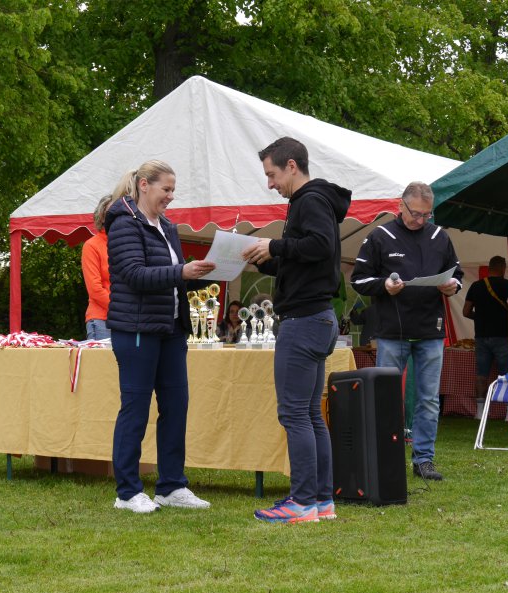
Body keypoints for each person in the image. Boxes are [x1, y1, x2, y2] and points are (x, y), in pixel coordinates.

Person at [242, 136, 351, 524]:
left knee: (294, 414)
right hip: (318, 317)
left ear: (292, 166)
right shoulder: (313, 201)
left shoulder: (310, 200)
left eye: (272, 174)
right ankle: (321, 500)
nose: (270, 183)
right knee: (309, 414)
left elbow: (319, 245)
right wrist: (263, 259)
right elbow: (305, 259)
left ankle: (302, 502)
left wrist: (275, 246)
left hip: (303, 321)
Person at [105, 160, 216, 514]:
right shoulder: (123, 223)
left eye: (172, 190)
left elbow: (172, 277)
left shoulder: (167, 227)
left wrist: (205, 271)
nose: (170, 196)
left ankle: (171, 486)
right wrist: (182, 271)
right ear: (143, 185)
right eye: (166, 189)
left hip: (170, 330)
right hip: (136, 331)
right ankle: (127, 492)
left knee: (176, 407)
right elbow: (135, 274)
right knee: (135, 409)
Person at [351, 182, 463, 481]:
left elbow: (458, 274)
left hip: (430, 330)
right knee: (385, 397)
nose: (421, 220)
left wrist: (452, 286)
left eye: (427, 214)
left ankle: (424, 460)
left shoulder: (440, 237)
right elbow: (358, 280)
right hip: (392, 332)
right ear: (400, 206)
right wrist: (384, 285)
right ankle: (384, 457)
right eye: (415, 213)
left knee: (428, 399)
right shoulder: (380, 236)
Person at [462, 256, 508, 417]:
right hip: (502, 336)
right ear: (503, 267)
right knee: (506, 375)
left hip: (481, 336)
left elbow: (466, 312)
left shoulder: (476, 286)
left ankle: (480, 412)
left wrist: (481, 318)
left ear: (489, 268)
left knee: (481, 375)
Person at [82, 195, 113, 341]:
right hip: (102, 320)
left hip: (127, 320)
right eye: (111, 212)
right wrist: (122, 309)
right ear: (102, 217)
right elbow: (95, 290)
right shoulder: (92, 245)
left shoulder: (129, 244)